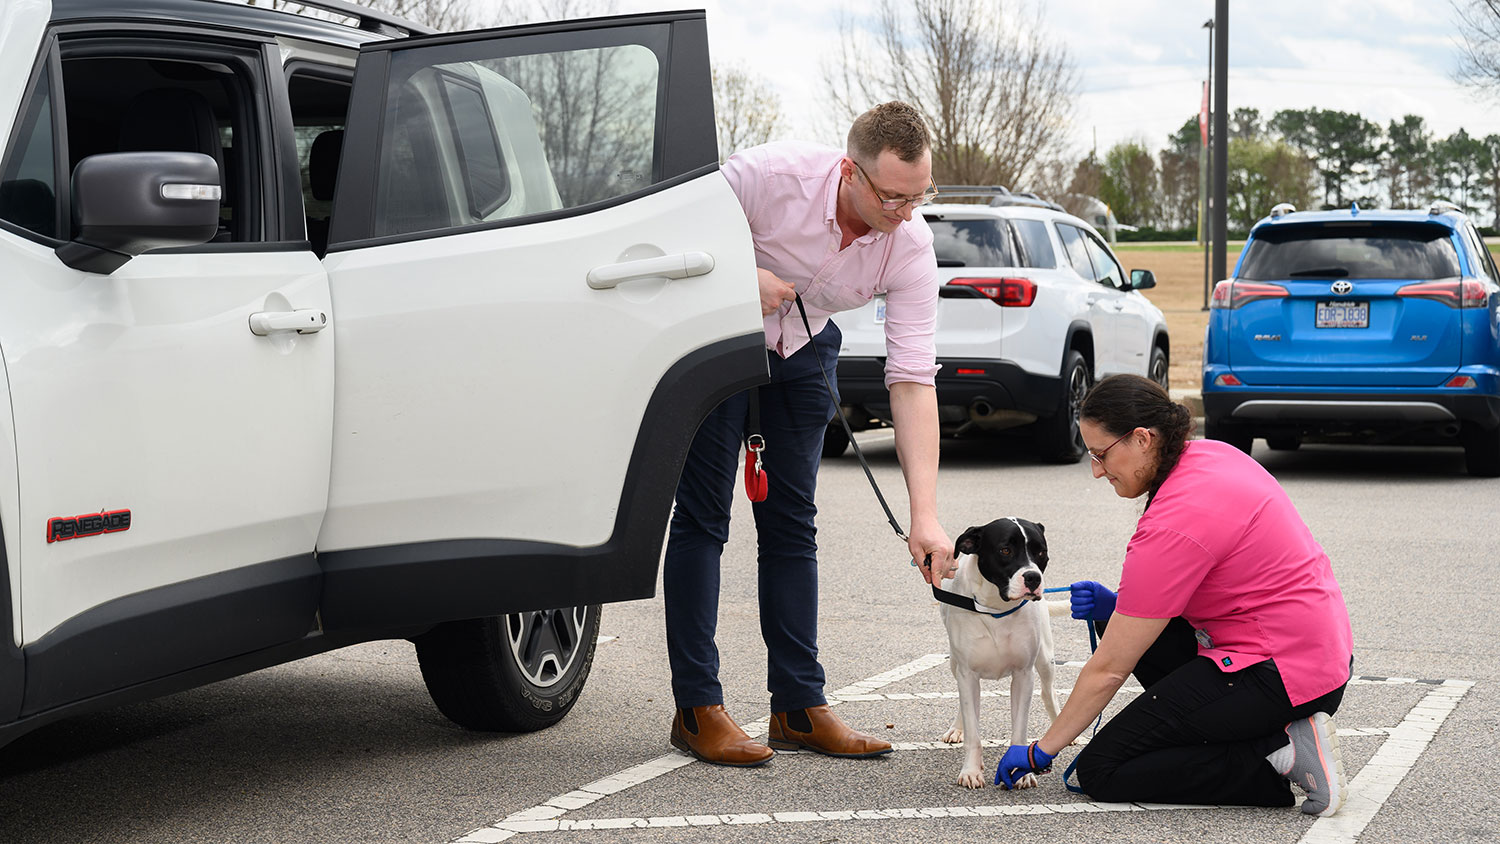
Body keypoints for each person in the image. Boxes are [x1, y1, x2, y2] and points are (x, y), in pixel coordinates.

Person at [664, 102, 954, 767]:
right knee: (704, 519)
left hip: (804, 352)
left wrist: (925, 516)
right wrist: (740, 278)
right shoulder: (767, 176)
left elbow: (911, 379)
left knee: (792, 523)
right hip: (719, 339)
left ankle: (798, 705)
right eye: (892, 197)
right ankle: (696, 707)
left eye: (918, 197)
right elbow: (674, 238)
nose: (905, 213)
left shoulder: (909, 243)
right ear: (850, 171)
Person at [995, 374, 1355, 817]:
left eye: (1101, 454)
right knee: (1119, 619)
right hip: (1320, 657)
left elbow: (1109, 668)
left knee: (1104, 768)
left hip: (1278, 677)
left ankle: (1277, 753)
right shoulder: (1212, 455)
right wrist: (1116, 609)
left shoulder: (1172, 523)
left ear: (1143, 438)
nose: (1096, 470)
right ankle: (1264, 735)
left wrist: (1040, 751)